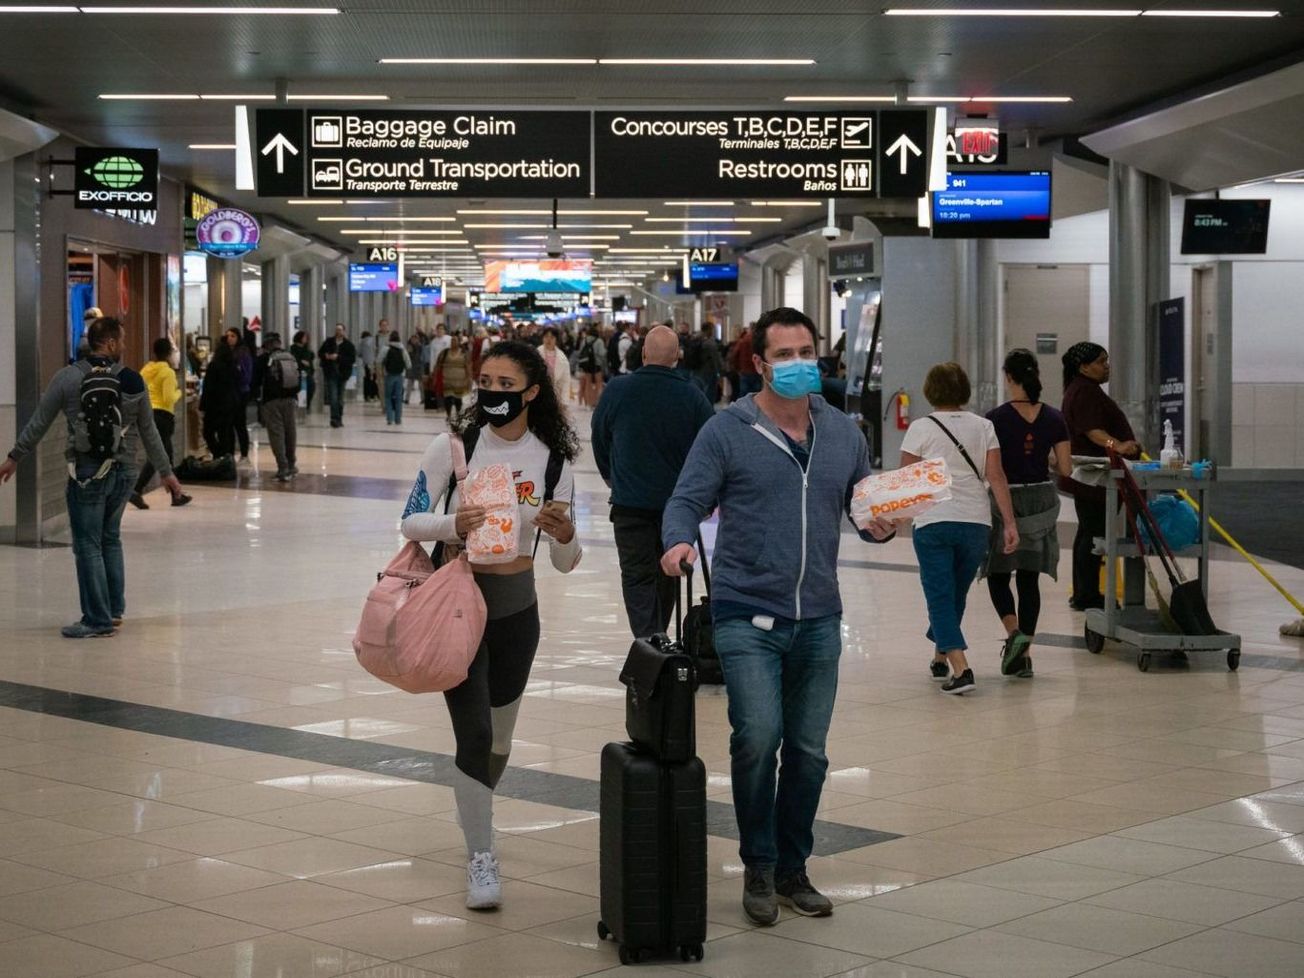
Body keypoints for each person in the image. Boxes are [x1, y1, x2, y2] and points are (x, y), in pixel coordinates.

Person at [660, 307, 895, 927]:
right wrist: (678, 541)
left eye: (806, 352)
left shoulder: (843, 432)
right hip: (745, 612)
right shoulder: (727, 430)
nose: (798, 364)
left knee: (811, 752)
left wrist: (882, 524)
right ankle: (759, 865)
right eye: (784, 355)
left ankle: (794, 868)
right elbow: (686, 499)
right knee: (758, 738)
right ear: (759, 364)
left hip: (819, 615)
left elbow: (865, 507)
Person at [400, 340, 582, 911]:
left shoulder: (554, 461)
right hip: (457, 601)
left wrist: (564, 532)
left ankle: (475, 805)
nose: (494, 394)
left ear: (532, 392)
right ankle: (482, 853)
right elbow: (410, 521)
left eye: (507, 386)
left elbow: (565, 562)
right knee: (474, 734)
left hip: (516, 609)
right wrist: (456, 522)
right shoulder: (452, 446)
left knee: (499, 738)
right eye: (487, 382)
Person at [0, 317, 185, 638]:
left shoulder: (67, 378)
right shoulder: (132, 380)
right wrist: (167, 473)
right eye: (122, 340)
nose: (124, 346)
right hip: (124, 472)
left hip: (88, 471)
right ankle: (113, 611)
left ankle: (96, 619)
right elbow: (149, 431)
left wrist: (15, 456)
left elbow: (40, 421)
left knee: (87, 544)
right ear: (110, 343)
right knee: (110, 538)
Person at [900, 362, 1019, 696]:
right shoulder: (984, 426)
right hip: (975, 523)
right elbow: (996, 476)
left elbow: (906, 480)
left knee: (939, 595)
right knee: (954, 593)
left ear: (930, 391)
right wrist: (1009, 523)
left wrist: (896, 520)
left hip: (934, 521)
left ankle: (961, 667)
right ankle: (940, 656)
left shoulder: (921, 428)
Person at [593, 325, 714, 639]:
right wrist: (705, 499)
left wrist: (612, 476)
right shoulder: (694, 396)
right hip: (677, 509)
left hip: (629, 504)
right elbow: (710, 453)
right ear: (678, 356)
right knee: (668, 573)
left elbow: (600, 439)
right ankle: (657, 639)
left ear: (643, 353)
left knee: (636, 576)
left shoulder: (617, 390)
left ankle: (649, 641)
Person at [981, 349, 1072, 679]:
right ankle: (1025, 657)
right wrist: (1043, 459)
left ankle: (1013, 633)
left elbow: (989, 469)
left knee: (998, 573)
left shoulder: (994, 418)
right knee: (1029, 578)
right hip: (1041, 500)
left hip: (1008, 498)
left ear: (1009, 377)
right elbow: (1065, 468)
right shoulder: (1054, 417)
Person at [1060, 342, 1141, 611]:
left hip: (1093, 478)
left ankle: (1085, 592)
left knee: (1088, 532)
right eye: (1101, 361)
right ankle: (1088, 595)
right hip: (1095, 477)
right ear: (1084, 367)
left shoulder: (1085, 390)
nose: (1107, 366)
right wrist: (1117, 446)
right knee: (1093, 535)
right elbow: (1093, 431)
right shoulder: (1084, 392)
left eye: (1107, 360)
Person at [129, 337, 192, 510]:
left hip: (146, 414)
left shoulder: (146, 369)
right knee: (158, 455)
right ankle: (137, 489)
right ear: (169, 354)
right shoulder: (168, 373)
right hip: (163, 416)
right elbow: (168, 398)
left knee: (166, 454)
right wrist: (181, 392)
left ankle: (176, 495)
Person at [253, 332, 300, 482]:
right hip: (291, 398)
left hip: (271, 401)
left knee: (276, 433)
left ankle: (282, 467)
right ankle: (292, 464)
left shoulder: (263, 359)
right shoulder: (289, 356)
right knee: (290, 431)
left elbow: (255, 380)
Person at [200, 337, 241, 459]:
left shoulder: (214, 366)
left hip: (215, 405)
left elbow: (208, 387)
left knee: (208, 432)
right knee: (226, 432)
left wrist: (203, 405)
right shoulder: (233, 366)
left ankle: (218, 455)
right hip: (230, 404)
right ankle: (228, 457)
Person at [319, 324, 356, 428]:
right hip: (331, 373)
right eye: (336, 330)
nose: (338, 332)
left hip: (343, 374)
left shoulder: (349, 345)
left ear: (344, 331)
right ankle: (334, 419)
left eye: (340, 330)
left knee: (340, 398)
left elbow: (351, 359)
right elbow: (320, 353)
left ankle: (339, 417)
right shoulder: (328, 342)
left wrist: (338, 357)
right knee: (333, 397)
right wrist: (326, 356)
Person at [436, 333, 473, 424]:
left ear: (459, 342)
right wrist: (435, 377)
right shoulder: (445, 352)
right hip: (447, 380)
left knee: (457, 399)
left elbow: (467, 365)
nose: (453, 342)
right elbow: (438, 365)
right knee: (448, 398)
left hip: (459, 381)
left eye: (455, 340)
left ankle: (458, 414)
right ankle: (448, 415)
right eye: (452, 340)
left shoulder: (463, 353)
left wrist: (469, 378)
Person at [228, 328, 253, 462]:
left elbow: (247, 375)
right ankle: (230, 454)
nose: (229, 338)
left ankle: (244, 454)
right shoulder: (225, 353)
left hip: (241, 392)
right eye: (228, 336)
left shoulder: (243, 353)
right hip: (228, 392)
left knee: (240, 423)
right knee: (229, 424)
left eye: (232, 336)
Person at [688, 323, 724, 403]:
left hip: (695, 371)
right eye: (713, 329)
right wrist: (720, 372)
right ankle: (707, 412)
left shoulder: (694, 339)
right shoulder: (710, 343)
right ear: (709, 330)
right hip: (709, 371)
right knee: (709, 394)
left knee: (697, 393)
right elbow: (716, 359)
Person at [382, 330, 411, 425]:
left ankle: (389, 419)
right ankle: (398, 419)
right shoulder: (402, 349)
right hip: (400, 375)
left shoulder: (386, 348)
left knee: (388, 397)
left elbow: (378, 360)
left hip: (389, 375)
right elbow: (409, 364)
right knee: (398, 398)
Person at [539, 328, 571, 401]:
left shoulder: (562, 357)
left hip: (556, 395)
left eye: (552, 337)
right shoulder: (537, 353)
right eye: (546, 336)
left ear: (556, 339)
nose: (548, 340)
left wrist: (564, 400)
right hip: (539, 393)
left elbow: (566, 380)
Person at [576, 328, 605, 407]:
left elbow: (580, 352)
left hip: (587, 365)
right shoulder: (599, 341)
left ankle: (588, 403)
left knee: (588, 384)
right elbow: (602, 353)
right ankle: (598, 402)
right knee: (598, 384)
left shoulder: (584, 340)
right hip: (597, 364)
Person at [290, 330, 316, 411]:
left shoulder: (306, 349)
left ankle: (306, 405)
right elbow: (294, 360)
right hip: (297, 372)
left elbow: (309, 361)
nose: (306, 339)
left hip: (307, 373)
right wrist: (301, 361)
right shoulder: (293, 348)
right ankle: (299, 405)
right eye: (304, 337)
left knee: (311, 387)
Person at [406, 330, 427, 404]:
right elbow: (408, 356)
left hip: (419, 367)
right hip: (411, 367)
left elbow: (422, 357)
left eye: (415, 339)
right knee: (409, 384)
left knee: (421, 385)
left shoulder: (421, 347)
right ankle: (407, 399)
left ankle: (423, 399)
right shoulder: (409, 346)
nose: (414, 340)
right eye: (413, 339)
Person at [358, 328, 378, 402]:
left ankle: (367, 395)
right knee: (375, 379)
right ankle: (375, 395)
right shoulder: (374, 340)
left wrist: (364, 355)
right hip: (375, 363)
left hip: (367, 363)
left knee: (367, 379)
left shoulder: (362, 342)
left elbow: (359, 353)